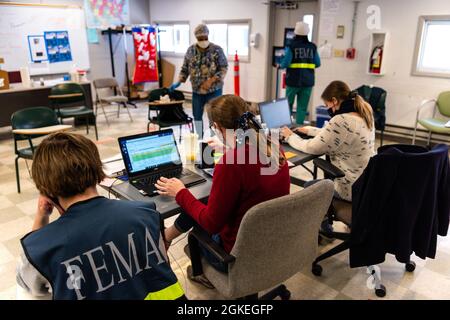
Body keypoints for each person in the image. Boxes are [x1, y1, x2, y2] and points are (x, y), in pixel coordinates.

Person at [16, 133, 184, 300]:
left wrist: (41, 216)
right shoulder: (147, 213)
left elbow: (28, 286)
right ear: (99, 173)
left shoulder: (39, 249)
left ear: (47, 191)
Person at [155, 95, 290, 279]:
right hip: (274, 240)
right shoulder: (273, 145)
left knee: (196, 222)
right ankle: (167, 236)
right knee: (204, 201)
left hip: (237, 254)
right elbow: (252, 165)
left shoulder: (230, 164)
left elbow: (212, 223)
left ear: (217, 126)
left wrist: (180, 192)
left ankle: (193, 268)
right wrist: (229, 148)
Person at [281, 80, 375, 202]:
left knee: (308, 187)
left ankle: (321, 221)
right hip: (364, 184)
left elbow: (312, 147)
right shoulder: (364, 112)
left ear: (335, 101)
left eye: (327, 105)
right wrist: (309, 131)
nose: (327, 108)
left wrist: (290, 136)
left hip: (348, 188)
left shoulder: (341, 120)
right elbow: (340, 135)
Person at [169, 24, 228, 137]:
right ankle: (200, 138)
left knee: (213, 117)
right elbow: (185, 68)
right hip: (197, 91)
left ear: (208, 36)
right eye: (200, 39)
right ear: (196, 38)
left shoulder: (216, 50)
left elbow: (224, 67)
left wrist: (211, 80)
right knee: (197, 116)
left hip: (214, 91)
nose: (203, 41)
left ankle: (214, 139)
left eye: (205, 38)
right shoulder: (191, 51)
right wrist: (179, 81)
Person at [280, 21, 321, 125]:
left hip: (293, 81)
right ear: (307, 33)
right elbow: (318, 63)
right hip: (307, 82)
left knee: (287, 105)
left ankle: (286, 127)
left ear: (296, 33)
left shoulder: (292, 46)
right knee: (302, 107)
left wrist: (280, 64)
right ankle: (299, 128)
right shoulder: (312, 47)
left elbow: (285, 63)